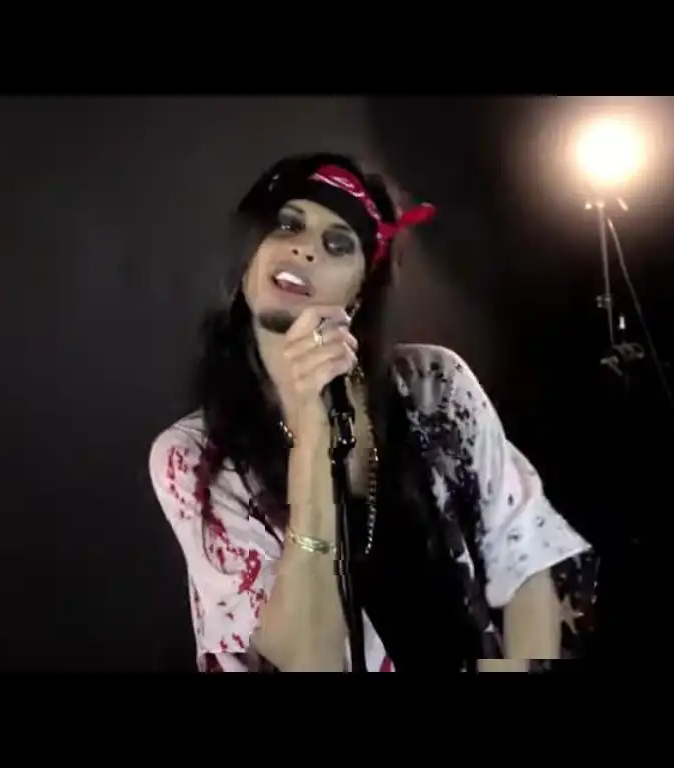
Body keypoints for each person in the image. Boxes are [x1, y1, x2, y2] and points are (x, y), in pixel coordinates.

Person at [148, 152, 597, 672]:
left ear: (359, 293)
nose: (305, 248)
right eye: (287, 225)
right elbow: (307, 659)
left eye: (337, 244)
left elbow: (527, 554)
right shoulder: (193, 460)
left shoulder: (435, 386)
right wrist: (313, 433)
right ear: (248, 260)